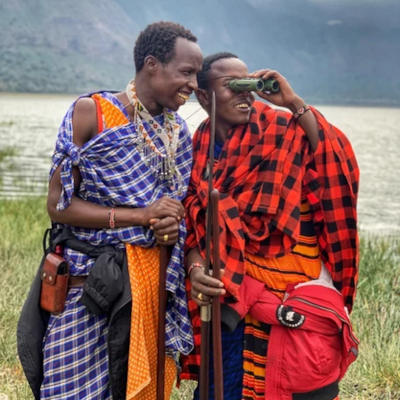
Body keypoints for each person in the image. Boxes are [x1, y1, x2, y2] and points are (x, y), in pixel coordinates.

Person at [17, 21, 202, 400]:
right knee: (68, 389)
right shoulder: (93, 113)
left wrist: (169, 227)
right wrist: (140, 215)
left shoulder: (177, 133)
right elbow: (58, 207)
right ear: (152, 64)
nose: (194, 84)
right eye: (186, 72)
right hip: (90, 287)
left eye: (197, 74)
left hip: (149, 287)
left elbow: (172, 211)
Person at [180, 52, 359, 400]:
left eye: (249, 85)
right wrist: (196, 267)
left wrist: (292, 102)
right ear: (203, 96)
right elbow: (197, 221)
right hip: (230, 298)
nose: (245, 94)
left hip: (286, 298)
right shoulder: (198, 145)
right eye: (232, 87)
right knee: (223, 387)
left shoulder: (281, 129)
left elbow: (336, 164)